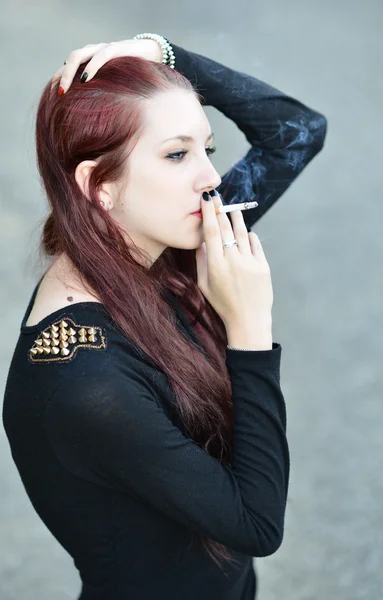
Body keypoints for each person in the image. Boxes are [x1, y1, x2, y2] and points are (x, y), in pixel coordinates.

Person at [2, 34, 327, 600]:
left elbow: (296, 134)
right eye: (177, 155)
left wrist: (167, 56)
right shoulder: (86, 386)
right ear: (97, 185)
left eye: (208, 149)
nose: (208, 180)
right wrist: (250, 333)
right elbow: (257, 525)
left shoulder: (166, 245)